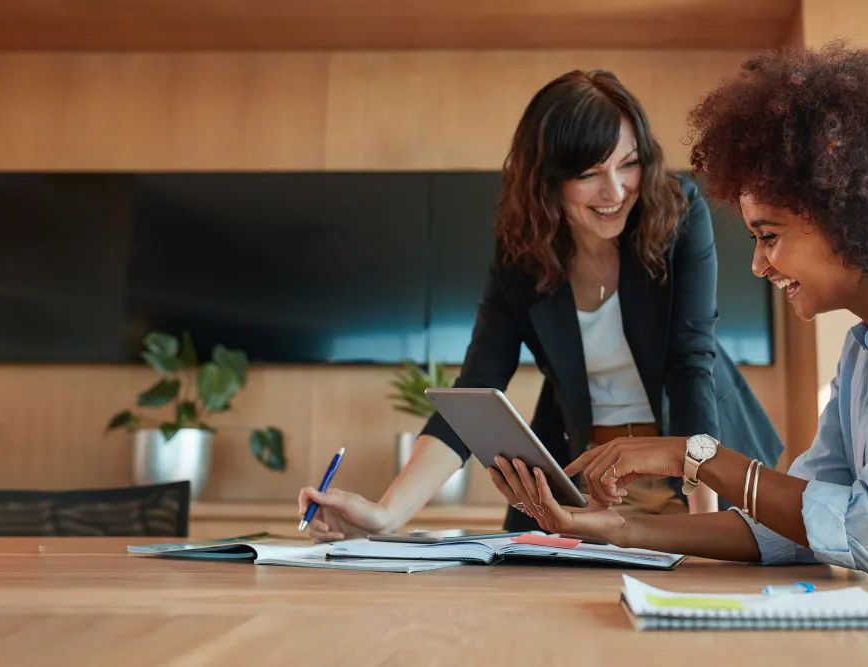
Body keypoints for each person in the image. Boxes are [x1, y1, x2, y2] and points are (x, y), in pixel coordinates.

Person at [490, 42, 868, 582]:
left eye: (768, 236)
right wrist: (616, 530)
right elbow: (797, 529)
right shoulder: (863, 351)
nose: (757, 264)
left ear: (846, 217)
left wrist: (694, 454)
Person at [298, 69, 783, 541]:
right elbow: (476, 390)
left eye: (628, 163)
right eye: (590, 173)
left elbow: (689, 363)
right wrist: (385, 514)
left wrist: (704, 526)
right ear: (547, 180)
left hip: (697, 469)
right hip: (590, 481)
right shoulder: (522, 253)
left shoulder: (677, 213)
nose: (615, 191)